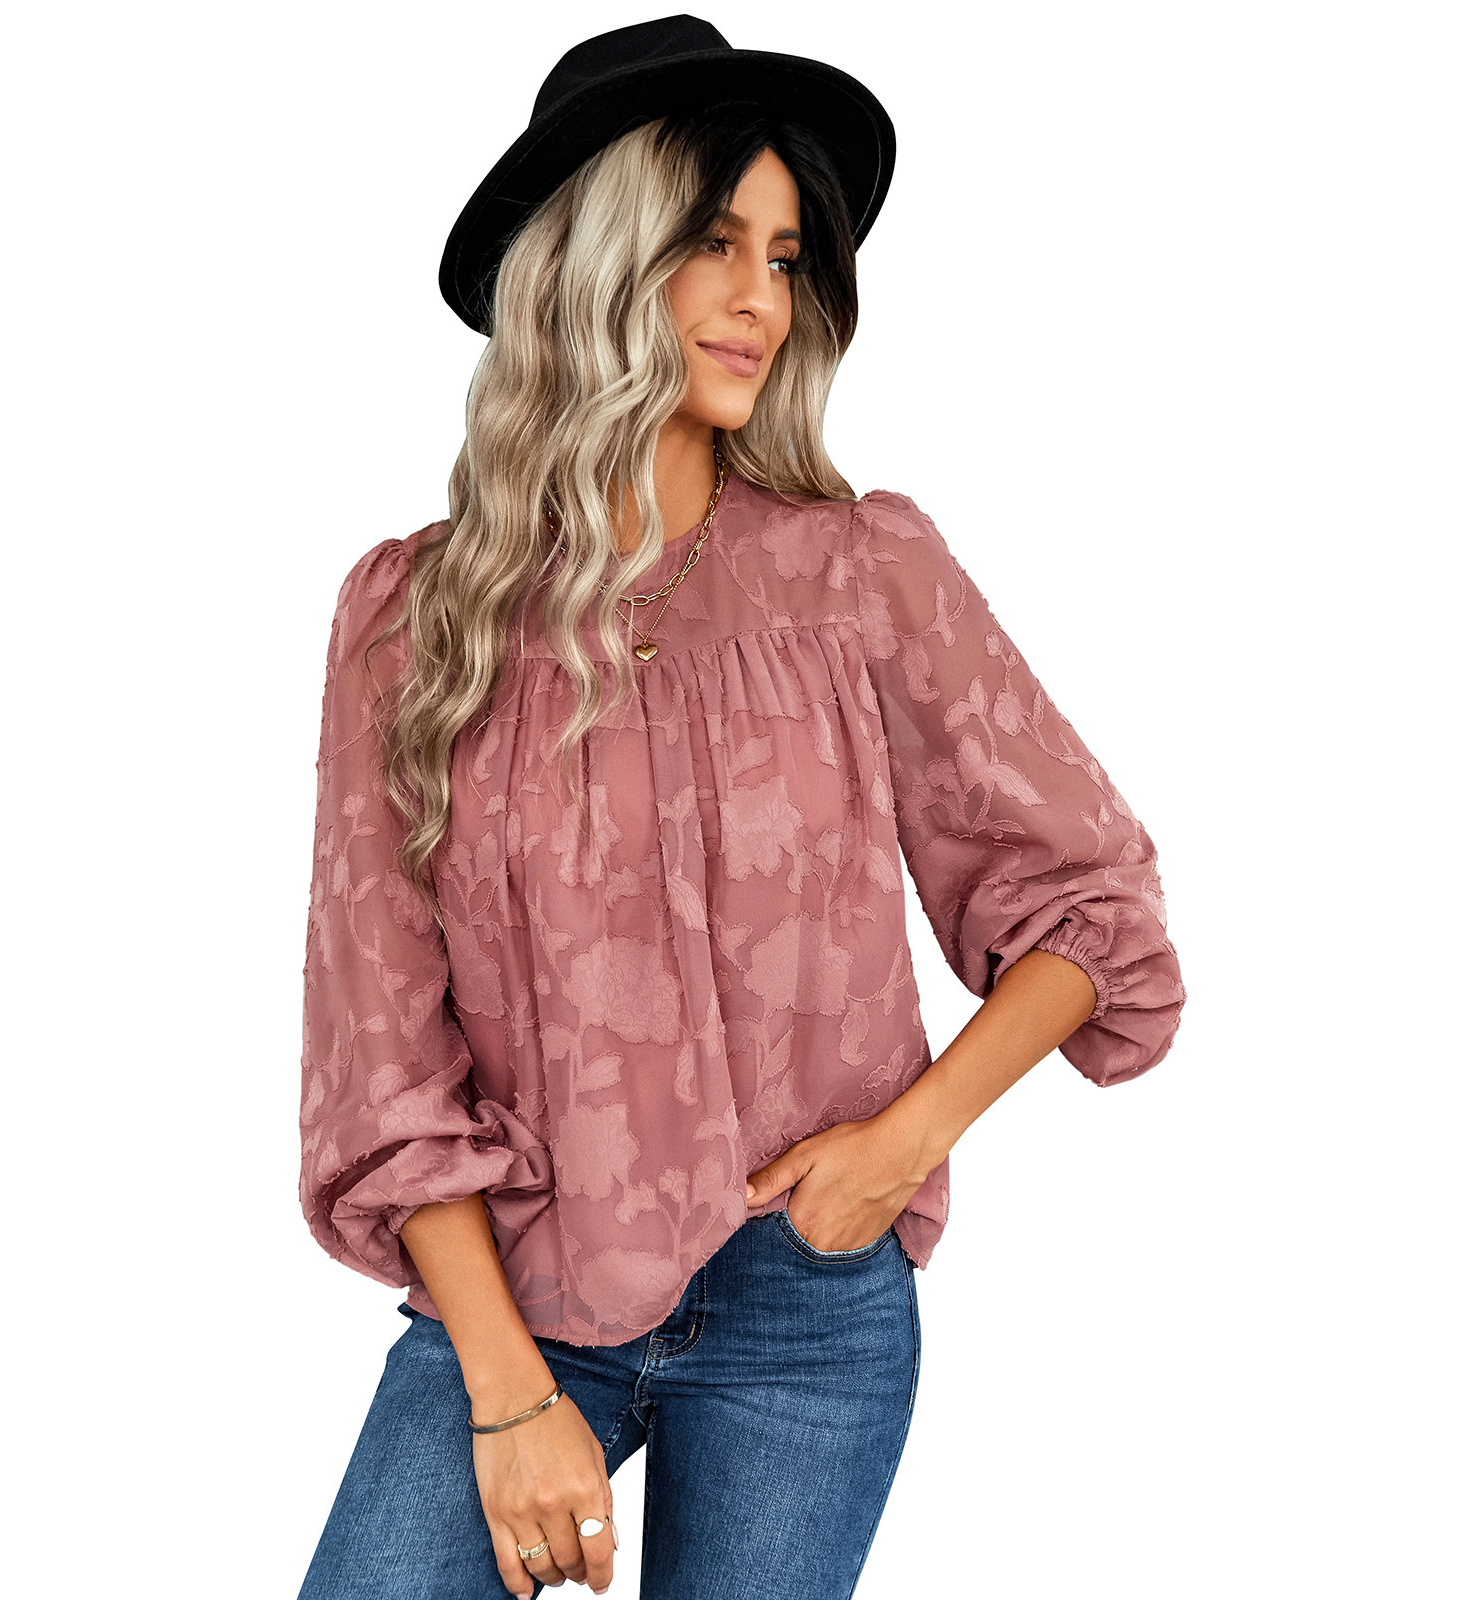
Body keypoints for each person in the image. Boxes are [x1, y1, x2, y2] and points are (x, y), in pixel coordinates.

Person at [294, 16, 1186, 1600]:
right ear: (593, 262)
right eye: (713, 243)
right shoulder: (413, 622)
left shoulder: (860, 574)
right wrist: (506, 1394)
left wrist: (904, 1143)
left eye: (783, 257)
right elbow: (382, 1055)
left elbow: (1091, 908)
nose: (762, 299)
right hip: (522, 1297)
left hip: (808, 1310)